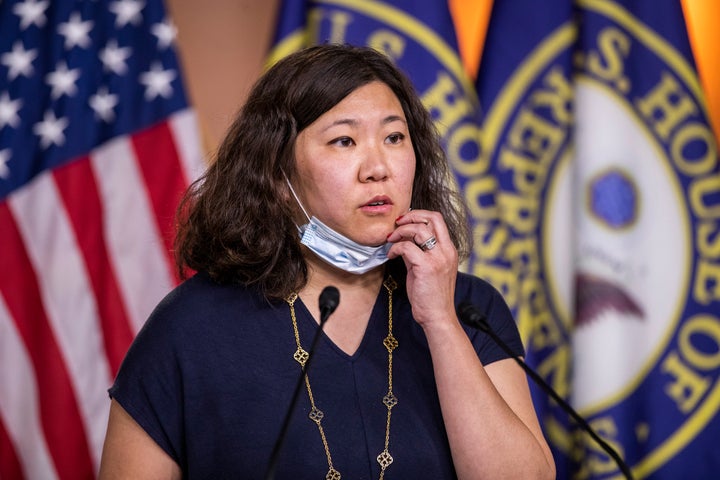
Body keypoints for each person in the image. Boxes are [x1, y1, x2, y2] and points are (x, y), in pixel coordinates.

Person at [98, 44, 556, 480]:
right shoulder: (190, 328)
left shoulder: (471, 309)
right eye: (344, 141)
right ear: (277, 174)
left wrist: (439, 320)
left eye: (395, 137)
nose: (378, 167)